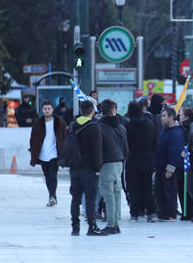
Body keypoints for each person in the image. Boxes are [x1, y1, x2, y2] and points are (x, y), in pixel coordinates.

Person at [68, 100, 105, 236]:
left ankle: (75, 227)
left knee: (75, 198)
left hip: (75, 168)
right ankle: (92, 226)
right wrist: (98, 167)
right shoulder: (94, 127)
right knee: (90, 199)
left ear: (81, 111)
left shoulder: (73, 125)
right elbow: (97, 150)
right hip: (89, 168)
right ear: (93, 111)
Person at [125, 101, 159, 223]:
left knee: (133, 188)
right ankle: (152, 213)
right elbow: (155, 142)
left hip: (132, 160)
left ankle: (134, 214)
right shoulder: (149, 124)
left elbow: (125, 144)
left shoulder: (127, 125)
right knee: (148, 188)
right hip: (148, 160)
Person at [97, 99, 128, 235]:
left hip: (106, 162)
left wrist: (96, 165)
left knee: (107, 194)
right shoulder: (121, 127)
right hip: (119, 162)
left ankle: (110, 224)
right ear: (114, 110)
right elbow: (126, 147)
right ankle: (116, 224)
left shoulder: (99, 126)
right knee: (116, 194)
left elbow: (98, 147)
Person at [29, 100, 67, 206]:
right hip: (42, 154)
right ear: (42, 110)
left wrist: (64, 152)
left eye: (49, 109)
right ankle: (52, 195)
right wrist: (33, 151)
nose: (47, 111)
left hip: (55, 154)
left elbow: (65, 137)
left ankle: (52, 196)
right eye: (45, 109)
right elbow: (33, 139)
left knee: (53, 175)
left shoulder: (60, 123)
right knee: (47, 177)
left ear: (52, 110)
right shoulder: (37, 123)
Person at [154, 107, 185, 221]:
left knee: (169, 191)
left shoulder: (176, 133)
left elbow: (175, 153)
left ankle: (170, 213)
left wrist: (170, 169)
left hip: (168, 169)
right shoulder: (165, 131)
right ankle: (162, 212)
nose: (161, 118)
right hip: (160, 167)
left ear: (171, 118)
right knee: (159, 191)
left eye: (164, 116)